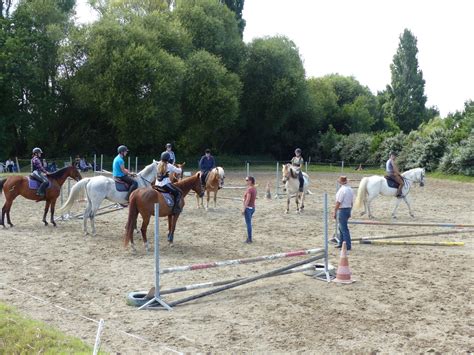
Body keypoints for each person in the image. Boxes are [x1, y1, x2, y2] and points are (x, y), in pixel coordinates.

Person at [334, 176, 354, 251]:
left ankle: (347, 246)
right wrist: (350, 211)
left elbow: (338, 202)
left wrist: (335, 211)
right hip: (348, 208)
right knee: (341, 227)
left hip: (342, 209)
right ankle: (341, 243)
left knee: (344, 228)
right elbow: (352, 202)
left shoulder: (342, 190)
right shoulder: (350, 189)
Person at [242, 176, 257, 244]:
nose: (246, 181)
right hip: (252, 208)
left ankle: (249, 239)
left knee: (248, 224)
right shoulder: (254, 188)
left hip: (248, 208)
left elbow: (248, 200)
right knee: (249, 223)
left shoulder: (249, 190)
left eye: (247, 180)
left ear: (250, 181)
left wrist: (244, 209)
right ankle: (249, 238)